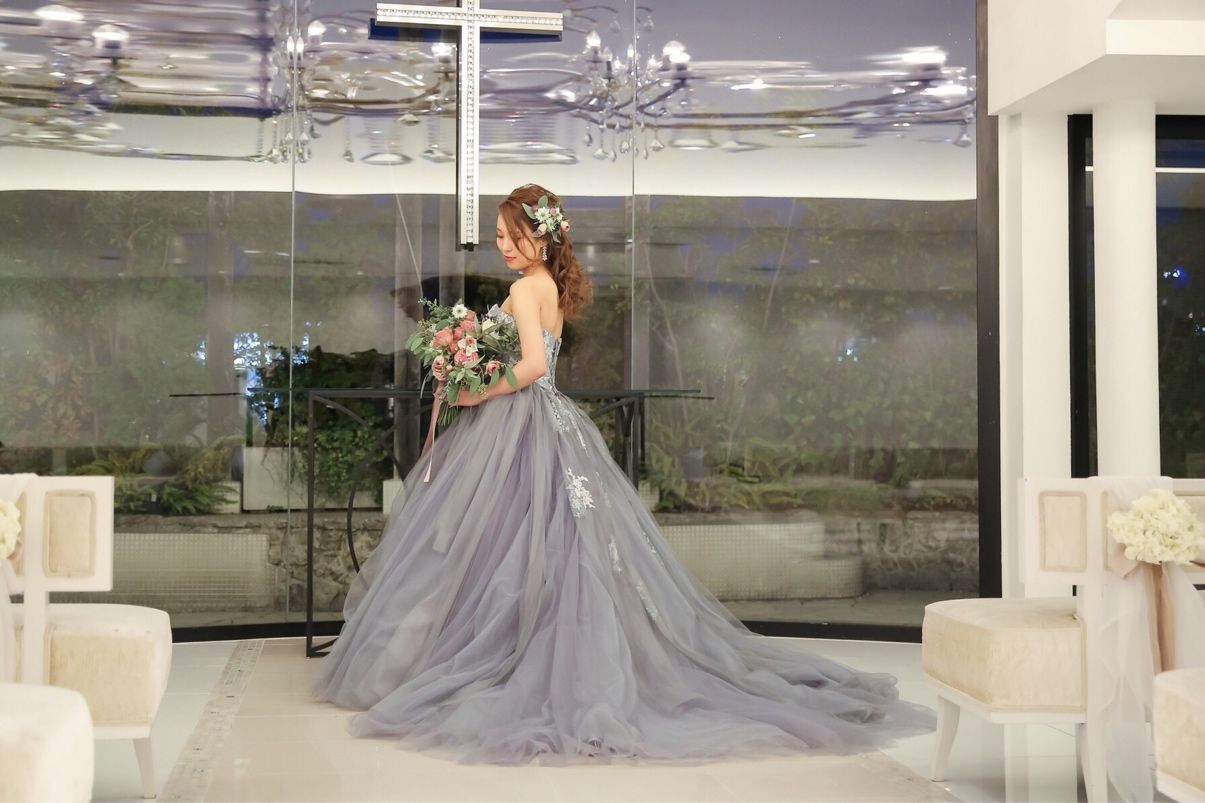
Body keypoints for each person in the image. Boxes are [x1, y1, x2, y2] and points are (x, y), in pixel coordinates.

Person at [312, 183, 934, 764]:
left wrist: (474, 390)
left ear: (540, 235)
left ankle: (490, 655)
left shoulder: (526, 291)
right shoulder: (545, 288)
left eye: (510, 235)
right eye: (498, 236)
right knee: (539, 548)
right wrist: (467, 361)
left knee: (497, 545)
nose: (502, 245)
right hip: (545, 424)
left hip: (517, 421)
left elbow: (532, 368)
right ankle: (539, 650)